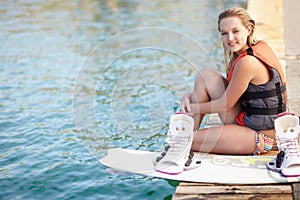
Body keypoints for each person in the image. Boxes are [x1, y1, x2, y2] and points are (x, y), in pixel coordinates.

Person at [180, 7, 287, 155]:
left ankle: (187, 140)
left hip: (261, 136)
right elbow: (233, 93)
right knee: (205, 75)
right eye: (224, 33)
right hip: (246, 122)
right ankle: (189, 135)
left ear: (249, 30)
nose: (230, 38)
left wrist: (191, 107)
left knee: (184, 140)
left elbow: (225, 105)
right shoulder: (249, 51)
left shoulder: (248, 62)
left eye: (235, 31)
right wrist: (189, 96)